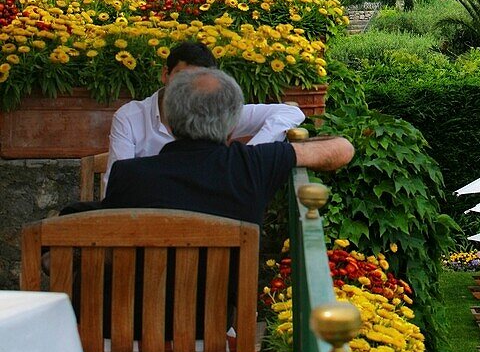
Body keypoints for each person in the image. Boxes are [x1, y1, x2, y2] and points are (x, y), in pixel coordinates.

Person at [102, 67, 354, 226]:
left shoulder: (128, 175)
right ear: (233, 125)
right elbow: (342, 149)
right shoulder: (253, 166)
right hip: (223, 309)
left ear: (171, 118)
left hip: (140, 308)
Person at [102, 41, 305, 192]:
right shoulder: (129, 117)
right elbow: (115, 186)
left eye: (199, 80)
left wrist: (249, 155)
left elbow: (290, 112)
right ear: (165, 74)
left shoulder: (216, 113)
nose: (190, 89)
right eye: (183, 77)